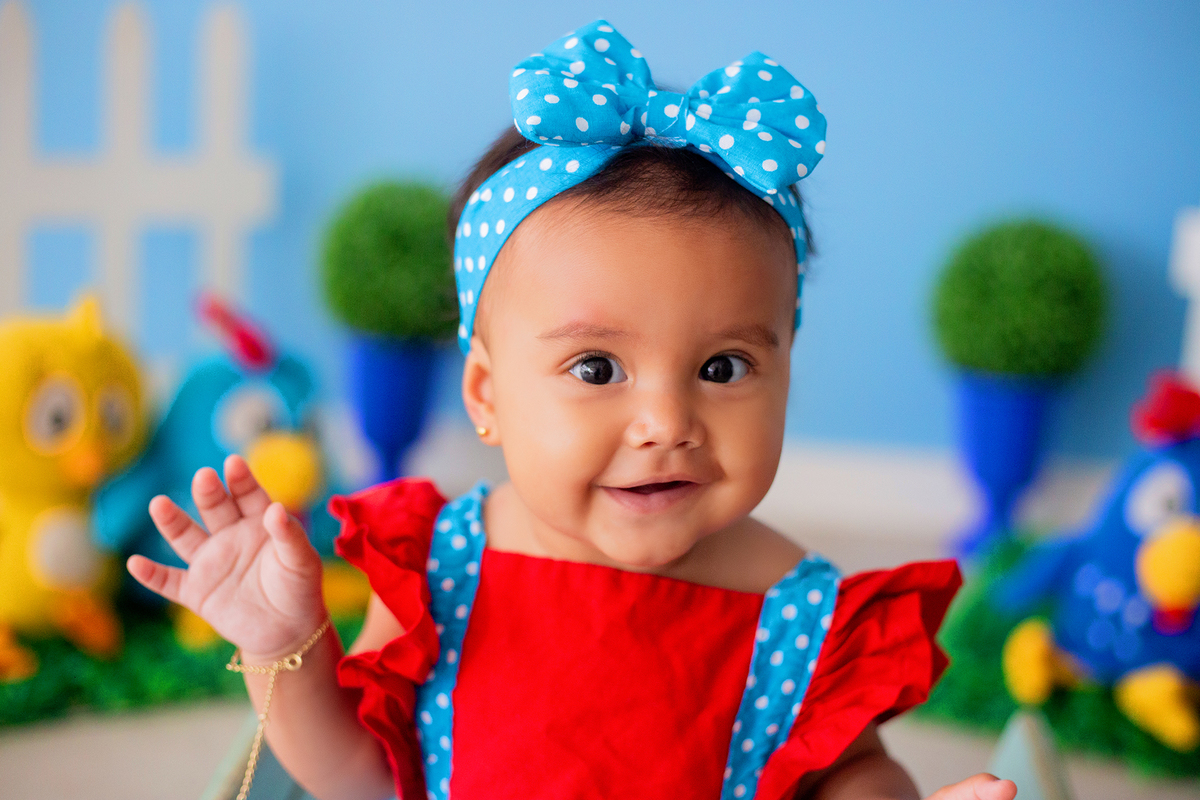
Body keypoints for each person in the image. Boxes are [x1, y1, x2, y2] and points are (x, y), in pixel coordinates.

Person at [127, 20, 1019, 800]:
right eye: (597, 367)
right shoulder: (440, 569)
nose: (666, 421)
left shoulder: (797, 607)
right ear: (486, 394)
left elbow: (853, 769)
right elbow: (366, 780)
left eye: (723, 364)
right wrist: (285, 644)